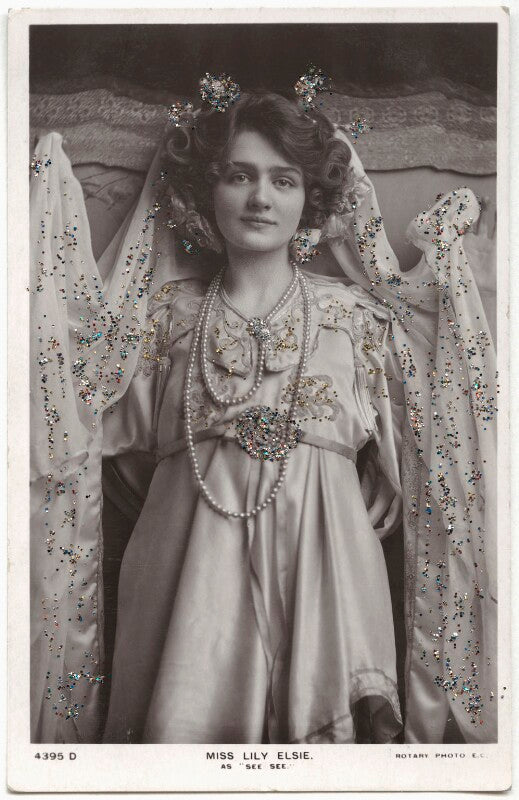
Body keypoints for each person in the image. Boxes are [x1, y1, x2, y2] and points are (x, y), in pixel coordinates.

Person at [30, 85, 497, 745]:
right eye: (239, 176)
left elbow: (422, 451)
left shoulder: (355, 321)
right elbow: (99, 448)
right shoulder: (163, 318)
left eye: (283, 180)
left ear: (310, 198)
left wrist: (353, 487)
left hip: (328, 574)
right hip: (186, 578)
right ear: (206, 189)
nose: (260, 198)